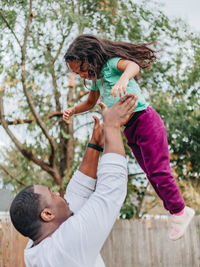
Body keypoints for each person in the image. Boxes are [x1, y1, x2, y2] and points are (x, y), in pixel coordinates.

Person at [63, 34, 194, 241]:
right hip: (131, 128)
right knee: (151, 174)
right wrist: (73, 109)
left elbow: (133, 66)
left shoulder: (111, 65)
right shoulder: (98, 80)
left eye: (80, 69)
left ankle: (180, 211)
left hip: (145, 120)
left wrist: (123, 78)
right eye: (76, 73)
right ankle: (175, 211)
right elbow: (89, 103)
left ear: (90, 58)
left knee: (159, 171)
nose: (80, 75)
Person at [10, 94, 138, 267]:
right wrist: (112, 126)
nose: (58, 193)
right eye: (52, 194)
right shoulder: (66, 245)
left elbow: (77, 193)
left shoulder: (35, 247)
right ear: (47, 214)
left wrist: (94, 145)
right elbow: (110, 191)